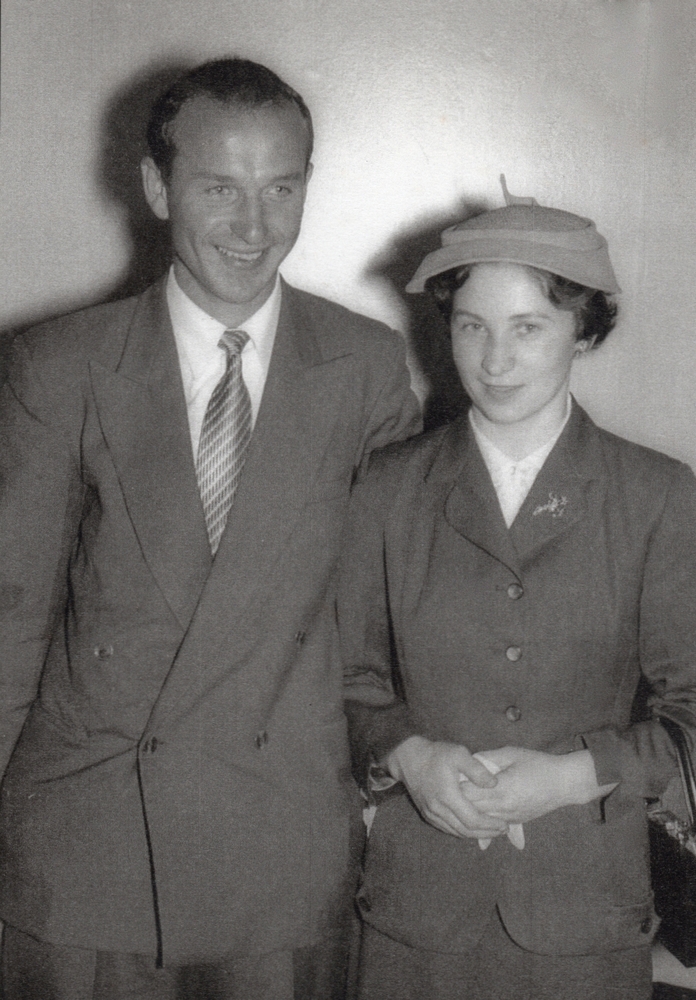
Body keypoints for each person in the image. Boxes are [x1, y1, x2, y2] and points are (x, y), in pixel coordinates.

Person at [0, 58, 420, 1000]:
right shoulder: (57, 364)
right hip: (92, 841)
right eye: (219, 189)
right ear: (156, 187)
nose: (254, 226)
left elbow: (392, 611)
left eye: (281, 189)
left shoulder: (364, 364)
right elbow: (11, 613)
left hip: (282, 838)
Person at [338, 191, 696, 1000]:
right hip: (415, 913)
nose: (493, 360)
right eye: (471, 325)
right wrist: (409, 755)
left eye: (528, 327)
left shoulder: (651, 494)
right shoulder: (387, 486)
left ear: (583, 331)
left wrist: (574, 776)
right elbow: (347, 678)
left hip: (583, 913)